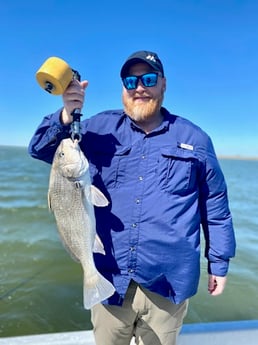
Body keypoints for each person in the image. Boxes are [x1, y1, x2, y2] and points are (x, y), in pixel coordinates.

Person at [28, 50, 236, 345]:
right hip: (109, 280)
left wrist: (219, 262)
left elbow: (215, 206)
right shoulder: (98, 128)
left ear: (163, 84)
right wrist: (65, 114)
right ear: (123, 87)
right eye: (130, 81)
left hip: (168, 282)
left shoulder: (196, 138)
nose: (140, 87)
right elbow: (40, 149)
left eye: (148, 79)